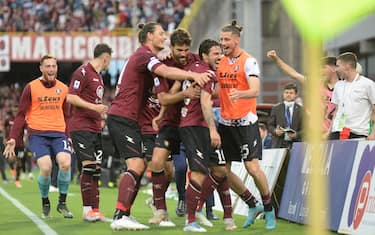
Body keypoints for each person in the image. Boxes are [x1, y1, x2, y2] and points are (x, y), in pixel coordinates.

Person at [108, 22, 211, 231]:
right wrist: (192, 76)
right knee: (138, 165)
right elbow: (164, 74)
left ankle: (125, 213)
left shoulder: (154, 57)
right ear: (148, 37)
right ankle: (121, 214)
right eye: (161, 33)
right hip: (123, 116)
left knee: (148, 167)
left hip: (132, 119)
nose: (164, 37)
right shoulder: (145, 56)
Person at [216, 20, 276, 230]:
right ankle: (252, 203)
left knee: (252, 168)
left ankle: (268, 209)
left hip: (246, 121)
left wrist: (239, 93)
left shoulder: (249, 61)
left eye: (226, 39)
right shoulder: (221, 61)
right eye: (221, 39)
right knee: (222, 170)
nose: (223, 43)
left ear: (236, 40)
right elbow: (217, 89)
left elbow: (256, 91)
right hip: (225, 123)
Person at [3, 55, 73, 219]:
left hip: (59, 133)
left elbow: (68, 115)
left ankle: (62, 202)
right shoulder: (31, 87)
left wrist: (69, 136)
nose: (51, 69)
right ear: (41, 68)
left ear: (57, 68)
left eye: (53, 66)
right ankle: (45, 201)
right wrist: (14, 137)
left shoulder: (64, 88)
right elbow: (20, 115)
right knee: (46, 168)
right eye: (47, 66)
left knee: (65, 163)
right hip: (38, 134)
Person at [66, 43, 113, 222]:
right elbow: (70, 97)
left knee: (96, 170)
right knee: (89, 166)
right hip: (81, 127)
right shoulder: (83, 72)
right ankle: (87, 211)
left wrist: (99, 114)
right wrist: (94, 107)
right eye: (110, 60)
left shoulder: (99, 77)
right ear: (105, 58)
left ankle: (95, 210)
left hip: (94, 129)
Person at [267, 50, 339, 137]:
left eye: (324, 67)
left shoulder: (343, 87)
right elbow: (294, 74)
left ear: (335, 69)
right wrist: (276, 59)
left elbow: (344, 114)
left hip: (333, 134)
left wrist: (332, 132)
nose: (320, 70)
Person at [329, 52, 375, 140]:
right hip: (337, 132)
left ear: (347, 66)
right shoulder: (338, 85)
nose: (335, 70)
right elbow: (336, 111)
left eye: (338, 66)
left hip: (357, 133)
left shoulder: (368, 84)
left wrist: (373, 134)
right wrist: (329, 132)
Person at [267, 83, 303, 148]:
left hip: (296, 145)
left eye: (291, 93)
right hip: (279, 144)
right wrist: (275, 131)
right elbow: (270, 125)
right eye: (286, 92)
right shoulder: (276, 108)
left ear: (296, 95)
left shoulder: (301, 110)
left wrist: (296, 135)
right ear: (283, 94)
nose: (288, 95)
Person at [3, 107, 25, 188]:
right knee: (11, 159)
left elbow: (26, 130)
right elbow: (5, 127)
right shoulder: (9, 119)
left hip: (20, 144)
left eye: (16, 110)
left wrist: (25, 137)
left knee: (19, 163)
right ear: (12, 111)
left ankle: (17, 180)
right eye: (14, 110)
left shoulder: (22, 120)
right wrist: (5, 137)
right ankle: (12, 170)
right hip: (11, 143)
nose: (15, 112)